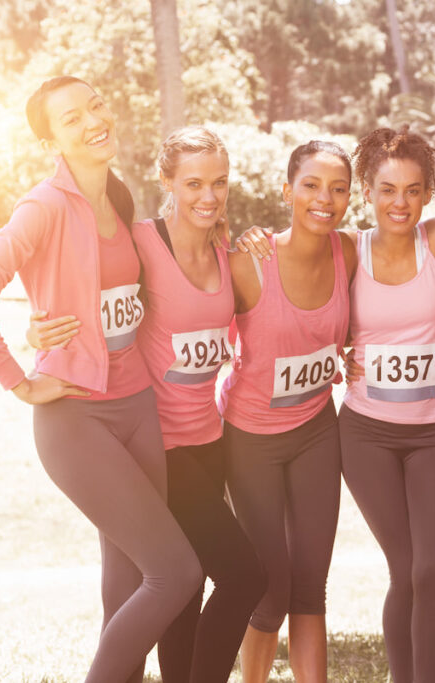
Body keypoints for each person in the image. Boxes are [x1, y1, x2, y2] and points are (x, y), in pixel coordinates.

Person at [0, 76, 201, 682]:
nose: (92, 120)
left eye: (96, 104)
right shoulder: (43, 205)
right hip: (76, 417)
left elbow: (122, 300)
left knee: (127, 584)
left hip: (139, 407)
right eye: (71, 118)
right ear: (51, 140)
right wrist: (19, 381)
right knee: (176, 573)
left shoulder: (119, 197)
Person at [27, 125, 267, 683]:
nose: (208, 196)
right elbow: (78, 282)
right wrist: (39, 332)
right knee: (240, 576)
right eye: (193, 184)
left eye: (219, 183)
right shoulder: (138, 241)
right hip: (157, 448)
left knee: (181, 596)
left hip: (210, 443)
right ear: (166, 181)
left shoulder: (226, 253)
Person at [218, 140, 356, 683]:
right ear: (287, 191)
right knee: (269, 584)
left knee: (310, 583)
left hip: (318, 432)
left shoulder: (350, 251)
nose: (325, 199)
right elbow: (183, 306)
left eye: (338, 188)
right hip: (249, 439)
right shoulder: (250, 264)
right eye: (311, 185)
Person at [340, 127, 435, 683]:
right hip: (365, 433)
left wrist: (434, 349)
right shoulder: (347, 251)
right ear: (366, 190)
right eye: (388, 189)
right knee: (404, 567)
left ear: (428, 192)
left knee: (430, 568)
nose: (400, 203)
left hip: (432, 430)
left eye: (413, 190)